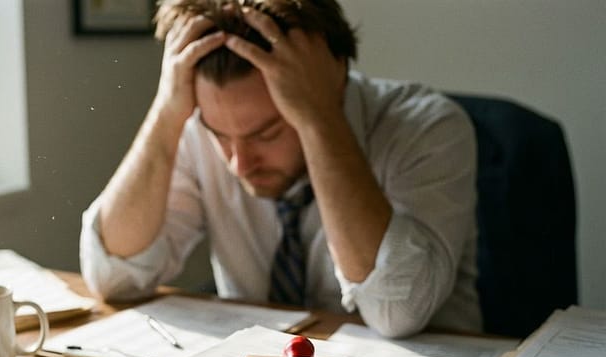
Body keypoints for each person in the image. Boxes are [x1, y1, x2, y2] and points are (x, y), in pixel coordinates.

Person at [79, 0, 482, 338]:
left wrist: (320, 119)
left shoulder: (429, 126)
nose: (239, 163)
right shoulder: (201, 128)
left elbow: (396, 311)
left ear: (333, 74)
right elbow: (114, 278)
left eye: (267, 133)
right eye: (219, 135)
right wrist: (167, 112)